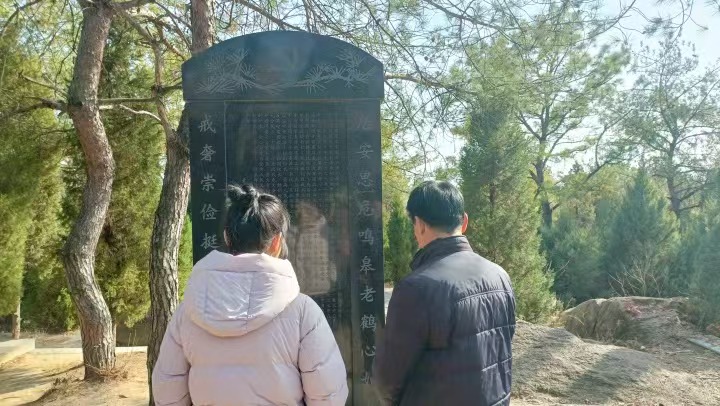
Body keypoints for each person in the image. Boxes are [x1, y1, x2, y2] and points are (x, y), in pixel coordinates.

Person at [152, 184, 348, 406]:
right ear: (277, 242)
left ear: (227, 237)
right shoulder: (303, 312)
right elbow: (328, 396)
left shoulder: (187, 312)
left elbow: (167, 392)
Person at [374, 180, 516, 406]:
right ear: (464, 221)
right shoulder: (500, 276)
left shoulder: (416, 288)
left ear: (420, 224)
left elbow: (388, 379)